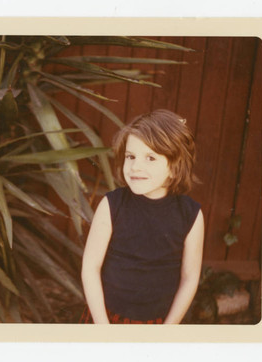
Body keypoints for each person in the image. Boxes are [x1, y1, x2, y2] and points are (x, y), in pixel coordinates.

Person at [81, 109, 205, 324]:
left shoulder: (190, 214)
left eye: (150, 158)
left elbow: (189, 278)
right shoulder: (112, 205)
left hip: (159, 322)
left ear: (175, 168)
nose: (136, 166)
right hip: (107, 317)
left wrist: (168, 329)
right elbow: (90, 267)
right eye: (131, 156)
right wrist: (103, 328)